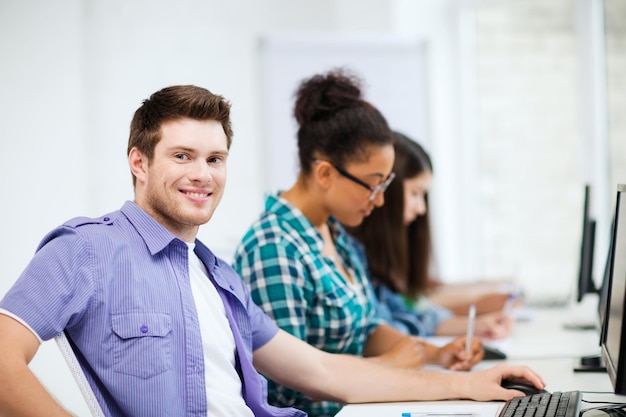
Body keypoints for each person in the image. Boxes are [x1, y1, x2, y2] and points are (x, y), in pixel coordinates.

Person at [0, 84, 544, 417]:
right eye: (183, 155)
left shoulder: (217, 276)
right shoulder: (88, 249)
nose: (202, 174)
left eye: (215, 159)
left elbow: (327, 374)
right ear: (139, 163)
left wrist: (469, 386)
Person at [231, 69, 522, 417]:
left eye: (385, 185)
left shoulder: (337, 235)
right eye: (373, 184)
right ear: (325, 173)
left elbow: (366, 327)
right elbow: (288, 388)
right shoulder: (273, 249)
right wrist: (389, 365)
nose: (380, 200)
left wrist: (431, 353)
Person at [345, 131, 514, 339]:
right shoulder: (353, 252)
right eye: (415, 193)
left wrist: (476, 325)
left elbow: (408, 314)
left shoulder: (380, 257)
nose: (421, 209)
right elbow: (386, 329)